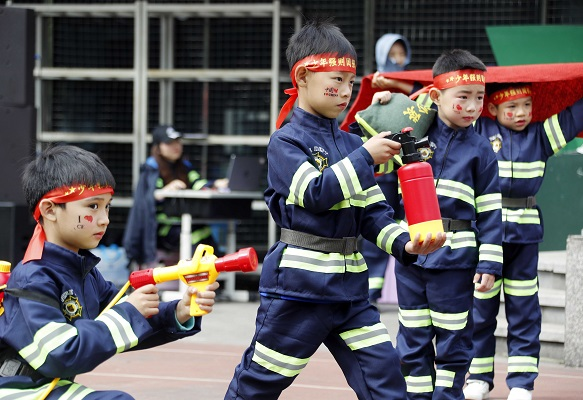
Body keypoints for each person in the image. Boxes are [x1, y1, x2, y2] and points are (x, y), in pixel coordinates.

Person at [224, 19, 446, 400]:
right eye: (337, 80)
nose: (346, 91)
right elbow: (314, 193)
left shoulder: (350, 143)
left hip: (351, 293)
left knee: (388, 383)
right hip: (299, 292)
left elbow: (375, 216)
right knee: (258, 386)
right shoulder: (285, 141)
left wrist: (406, 245)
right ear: (304, 75)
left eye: (351, 82)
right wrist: (365, 155)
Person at [0, 144, 219, 399]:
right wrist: (128, 311)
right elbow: (59, 354)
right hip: (18, 391)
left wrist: (179, 312)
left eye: (107, 206)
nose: (104, 219)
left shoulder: (83, 271)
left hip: (47, 388)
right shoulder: (33, 277)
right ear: (50, 210)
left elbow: (131, 322)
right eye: (93, 206)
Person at [373, 49, 504, 399]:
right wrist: (382, 106)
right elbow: (366, 147)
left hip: (455, 260)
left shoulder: (482, 150)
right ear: (436, 96)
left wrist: (490, 262)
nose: (474, 106)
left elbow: (491, 211)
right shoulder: (411, 132)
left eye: (479, 97)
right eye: (463, 97)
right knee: (412, 338)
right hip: (411, 255)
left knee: (453, 337)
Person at [463, 82, 583, 400]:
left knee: (524, 312)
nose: (522, 113)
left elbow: (576, 116)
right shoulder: (477, 129)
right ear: (493, 110)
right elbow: (441, 105)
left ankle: (522, 383)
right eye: (512, 107)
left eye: (527, 105)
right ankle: (478, 377)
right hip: (485, 237)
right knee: (480, 311)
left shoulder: (542, 135)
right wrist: (398, 88)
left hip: (524, 240)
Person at [123, 124, 228, 270]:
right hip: (161, 229)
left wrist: (216, 183)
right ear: (158, 147)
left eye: (178, 142)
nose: (176, 146)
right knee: (193, 233)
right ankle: (193, 274)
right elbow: (146, 199)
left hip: (185, 222)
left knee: (204, 230)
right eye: (169, 143)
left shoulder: (184, 165)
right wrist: (164, 190)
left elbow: (198, 183)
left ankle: (211, 270)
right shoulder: (151, 168)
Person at [363, 33, 414, 304]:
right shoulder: (372, 83)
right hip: (381, 169)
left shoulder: (414, 81)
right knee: (379, 223)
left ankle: (412, 283)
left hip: (408, 166)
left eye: (401, 53)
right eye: (392, 54)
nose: (397, 59)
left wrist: (396, 84)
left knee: (408, 224)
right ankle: (371, 292)